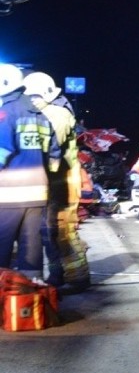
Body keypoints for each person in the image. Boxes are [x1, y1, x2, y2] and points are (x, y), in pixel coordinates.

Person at [23, 71, 90, 290]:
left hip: (64, 182)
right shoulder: (44, 112)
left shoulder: (58, 114)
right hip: (53, 181)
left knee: (63, 232)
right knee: (50, 233)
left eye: (31, 96)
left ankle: (78, 278)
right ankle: (59, 275)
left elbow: (50, 148)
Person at [0, 64, 60, 280]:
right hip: (37, 193)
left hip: (9, 195)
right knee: (31, 248)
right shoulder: (41, 115)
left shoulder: (6, 112)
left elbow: (2, 150)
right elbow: (54, 156)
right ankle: (31, 292)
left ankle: (4, 298)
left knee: (2, 246)